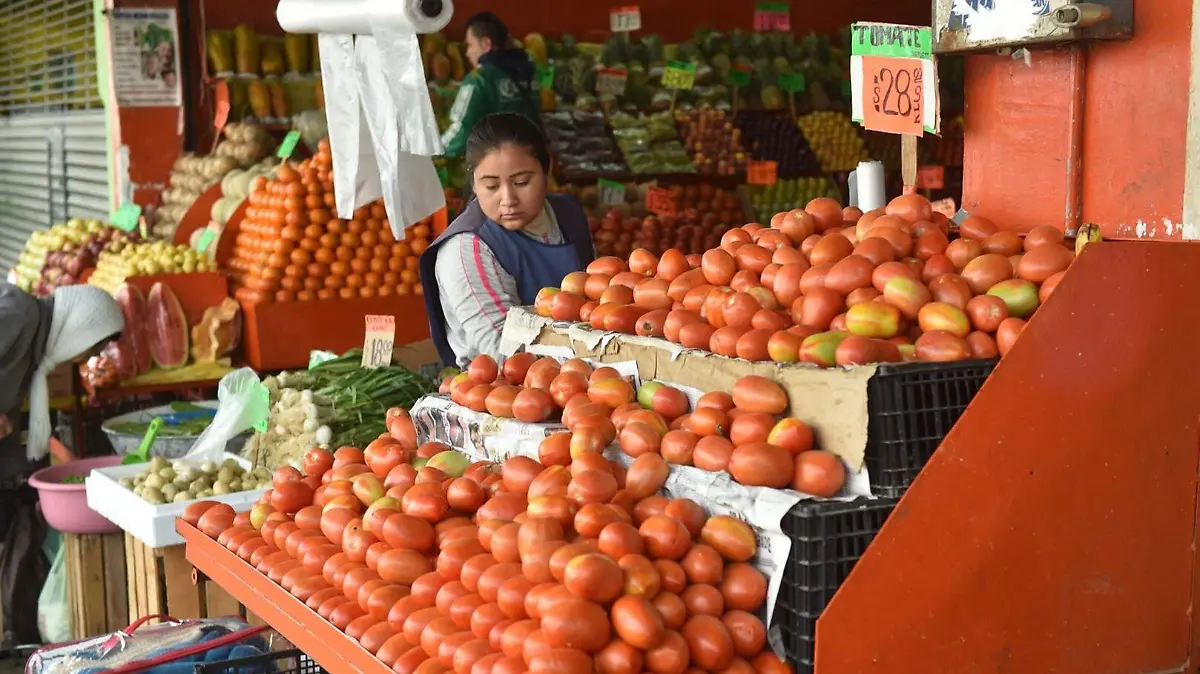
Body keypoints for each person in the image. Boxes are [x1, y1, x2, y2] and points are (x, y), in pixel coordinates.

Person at [0, 283, 124, 649]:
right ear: (81, 326)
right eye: (93, 345)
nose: (86, 357)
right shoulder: (19, 313)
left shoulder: (35, 351)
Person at [420, 113, 595, 367]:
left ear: (547, 170)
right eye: (491, 186)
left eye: (522, 182)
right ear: (474, 183)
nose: (508, 198)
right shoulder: (467, 249)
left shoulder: (567, 214)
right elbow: (506, 354)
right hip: (503, 389)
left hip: (582, 370)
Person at [440, 12, 540, 161]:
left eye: (470, 45)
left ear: (486, 44)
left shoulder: (480, 78)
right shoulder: (529, 72)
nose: (467, 53)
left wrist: (437, 151)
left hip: (497, 162)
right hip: (531, 158)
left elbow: (462, 128)